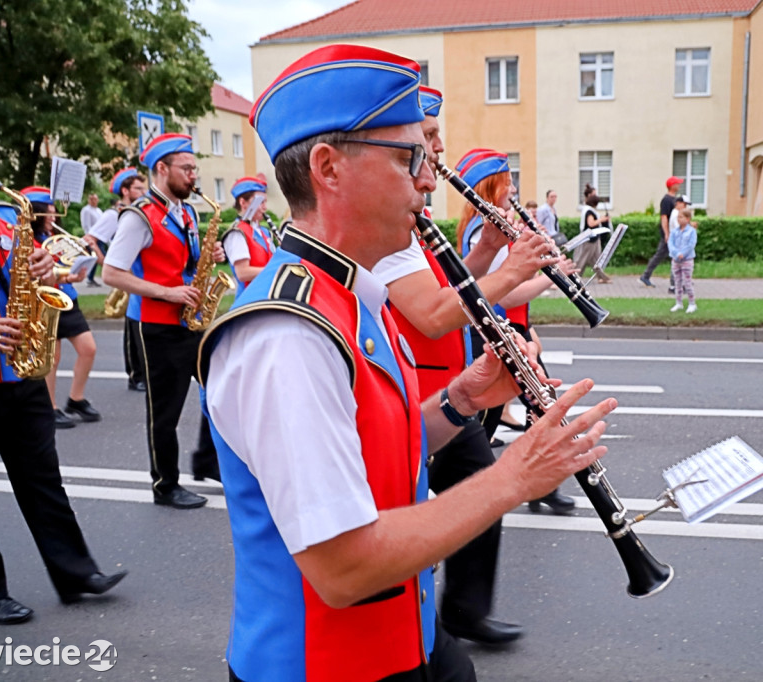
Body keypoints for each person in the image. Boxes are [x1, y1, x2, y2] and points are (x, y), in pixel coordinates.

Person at [200, 45, 615, 681]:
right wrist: (515, 477)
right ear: (329, 168)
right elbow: (342, 569)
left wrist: (463, 400)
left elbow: (375, 449)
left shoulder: (353, 292)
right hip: (324, 668)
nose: (428, 178)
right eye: (409, 158)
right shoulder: (288, 335)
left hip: (405, 642)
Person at [372, 85, 554, 647]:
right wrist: (513, 267)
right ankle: (427, 618)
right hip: (410, 386)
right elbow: (430, 312)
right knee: (404, 509)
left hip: (444, 386)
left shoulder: (410, 224)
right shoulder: (387, 231)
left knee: (471, 481)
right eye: (422, 146)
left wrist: (487, 254)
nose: (433, 165)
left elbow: (452, 282)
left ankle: (457, 613)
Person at [0, 107, 126, 625]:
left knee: (44, 480)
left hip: (20, 376)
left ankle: (76, 573)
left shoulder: (6, 223)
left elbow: (28, 281)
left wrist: (48, 266)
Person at [101, 132, 224, 508]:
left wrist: (209, 254)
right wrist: (167, 292)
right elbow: (111, 273)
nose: (193, 175)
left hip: (190, 319)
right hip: (157, 324)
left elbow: (182, 262)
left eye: (194, 168)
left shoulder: (184, 211)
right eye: (186, 168)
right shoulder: (140, 215)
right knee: (165, 412)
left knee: (222, 390)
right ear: (161, 169)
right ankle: (165, 485)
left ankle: (209, 462)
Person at [456, 147, 579, 515]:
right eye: (506, 183)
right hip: (495, 333)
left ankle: (532, 484)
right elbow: (504, 293)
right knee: (499, 417)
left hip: (510, 330)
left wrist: (530, 329)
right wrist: (549, 278)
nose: (512, 189)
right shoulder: (484, 229)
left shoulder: (489, 225)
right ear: (489, 187)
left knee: (532, 412)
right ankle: (477, 488)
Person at [21, 186, 101, 428]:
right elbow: (36, 274)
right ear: (36, 214)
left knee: (89, 349)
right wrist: (64, 275)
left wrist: (75, 270)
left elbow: (62, 266)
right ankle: (50, 406)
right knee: (52, 358)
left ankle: (76, 399)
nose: (54, 218)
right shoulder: (26, 241)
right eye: (50, 213)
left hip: (67, 299)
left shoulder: (50, 238)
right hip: (45, 300)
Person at [88, 167, 148, 391]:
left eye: (144, 188)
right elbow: (90, 239)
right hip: (124, 274)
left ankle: (140, 373)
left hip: (135, 273)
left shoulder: (138, 212)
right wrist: (107, 263)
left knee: (136, 319)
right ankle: (135, 375)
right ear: (125, 191)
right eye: (138, 188)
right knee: (133, 322)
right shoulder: (113, 215)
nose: (143, 192)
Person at [222, 176, 275, 292]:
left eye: (265, 202)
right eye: (260, 202)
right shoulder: (237, 233)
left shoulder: (264, 232)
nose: (264, 208)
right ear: (243, 202)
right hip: (249, 300)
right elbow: (242, 273)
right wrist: (275, 270)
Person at [640, 175, 682, 292]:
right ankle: (646, 276)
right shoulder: (666, 200)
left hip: (674, 232)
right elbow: (664, 218)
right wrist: (666, 233)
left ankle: (679, 279)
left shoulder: (675, 199)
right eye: (677, 183)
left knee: (667, 256)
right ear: (672, 186)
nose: (679, 185)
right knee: (662, 255)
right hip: (668, 233)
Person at [573, 193, 612, 283]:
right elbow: (591, 223)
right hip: (590, 239)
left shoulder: (588, 210)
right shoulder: (589, 212)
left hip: (594, 238)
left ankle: (601, 277)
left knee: (596, 259)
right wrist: (602, 220)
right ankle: (575, 277)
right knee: (582, 259)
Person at [668, 207, 698, 313]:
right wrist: (676, 253)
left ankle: (692, 303)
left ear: (688, 218)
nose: (679, 219)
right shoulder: (675, 231)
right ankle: (678, 303)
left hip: (687, 260)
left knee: (687, 282)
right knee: (677, 282)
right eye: (678, 217)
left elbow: (691, 245)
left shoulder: (691, 231)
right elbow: (670, 243)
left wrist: (683, 253)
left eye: (681, 217)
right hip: (676, 260)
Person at [79, 193, 103, 286]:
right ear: (89, 200)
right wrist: (90, 238)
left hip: (100, 237)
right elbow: (86, 225)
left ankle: (90, 277)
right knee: (95, 257)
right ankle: (89, 277)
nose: (95, 201)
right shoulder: (86, 210)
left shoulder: (99, 210)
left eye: (96, 199)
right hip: (92, 238)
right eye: (92, 199)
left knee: (96, 258)